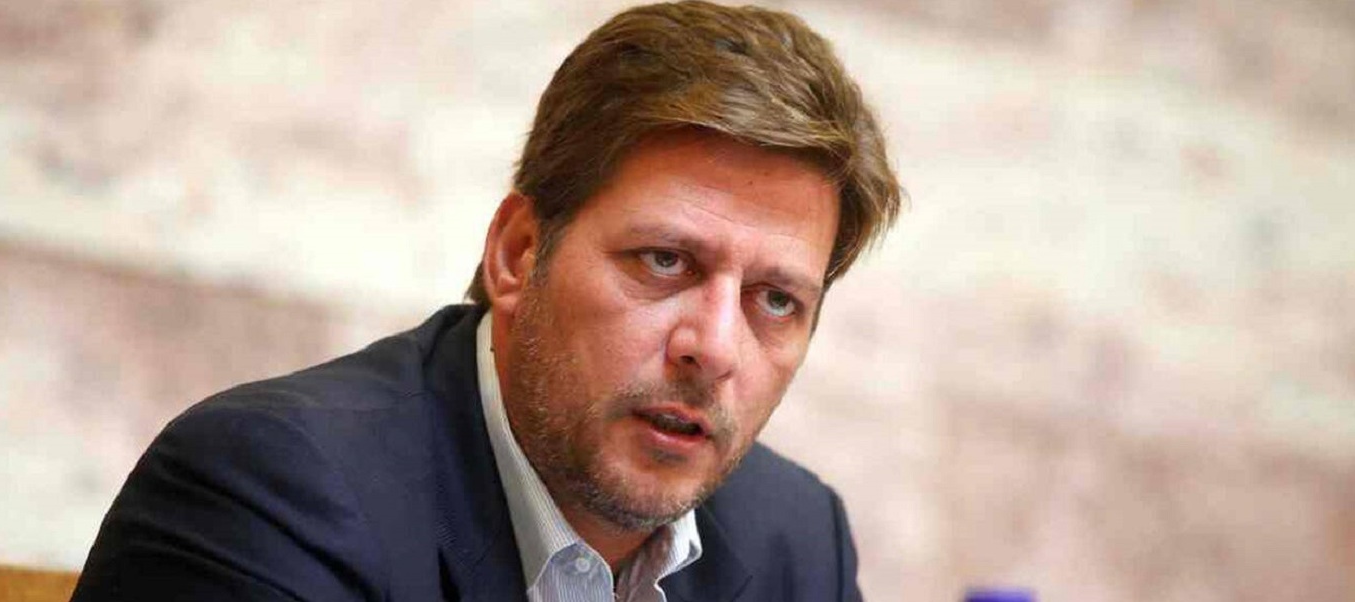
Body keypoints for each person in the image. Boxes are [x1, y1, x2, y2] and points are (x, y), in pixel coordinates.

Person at [71, 2, 902, 601]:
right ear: (517, 253)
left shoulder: (797, 540)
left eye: (776, 301)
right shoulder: (269, 494)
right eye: (664, 261)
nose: (714, 348)